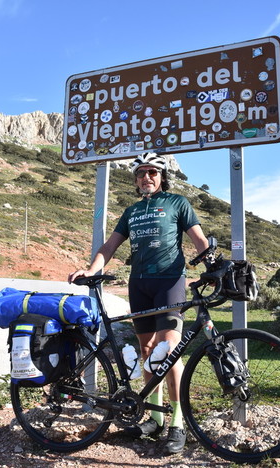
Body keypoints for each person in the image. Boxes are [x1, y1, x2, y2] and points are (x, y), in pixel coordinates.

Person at [68, 152, 209, 455]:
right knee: (147, 353)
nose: (147, 177)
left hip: (170, 282)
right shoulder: (131, 211)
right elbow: (110, 245)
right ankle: (155, 418)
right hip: (139, 285)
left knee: (168, 351)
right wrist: (92, 269)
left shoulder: (177, 203)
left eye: (153, 173)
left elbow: (198, 239)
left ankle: (177, 422)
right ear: (135, 179)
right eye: (142, 173)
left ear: (162, 177)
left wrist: (211, 263)